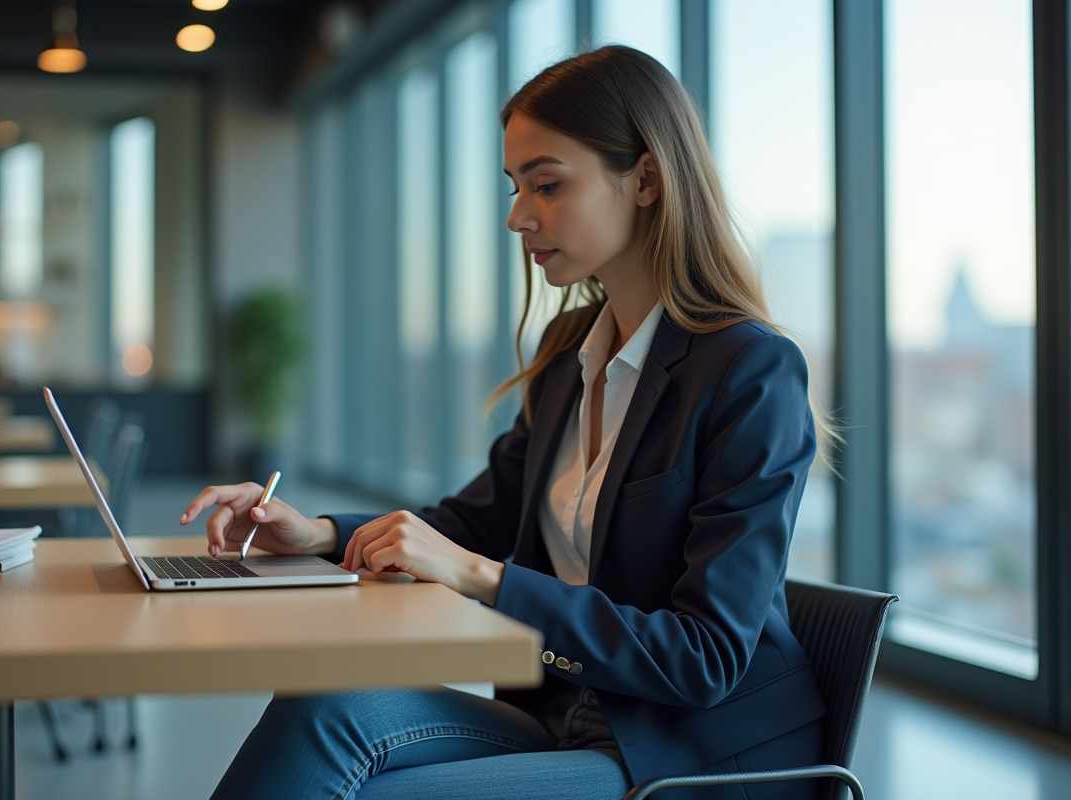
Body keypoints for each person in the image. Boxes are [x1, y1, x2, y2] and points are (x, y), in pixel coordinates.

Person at [182, 45, 829, 800]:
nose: (519, 216)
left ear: (647, 179)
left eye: (548, 185)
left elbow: (705, 658)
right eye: (517, 186)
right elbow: (475, 522)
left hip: (688, 758)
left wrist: (483, 580)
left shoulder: (748, 370)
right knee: (320, 703)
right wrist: (322, 534)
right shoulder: (570, 358)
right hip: (569, 716)